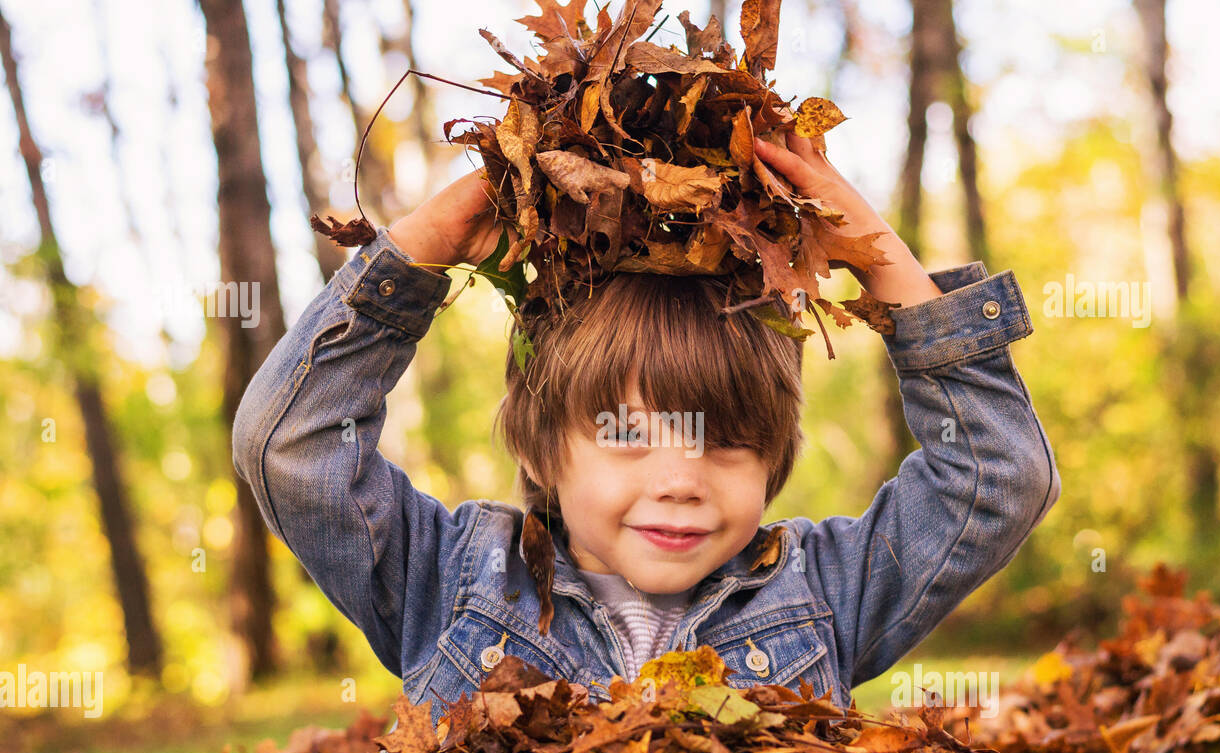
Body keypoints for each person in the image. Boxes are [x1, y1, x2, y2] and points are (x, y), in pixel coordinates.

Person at [232, 129, 1060, 719]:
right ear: (541, 445)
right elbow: (293, 451)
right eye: (628, 433)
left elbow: (995, 477)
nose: (679, 480)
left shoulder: (823, 594)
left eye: (727, 440)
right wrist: (410, 259)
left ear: (775, 457)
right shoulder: (448, 582)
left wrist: (881, 260)